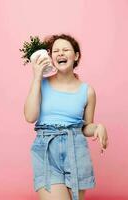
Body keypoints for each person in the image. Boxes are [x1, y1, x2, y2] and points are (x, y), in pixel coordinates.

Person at [24, 34, 108, 200]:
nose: (60, 53)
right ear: (51, 57)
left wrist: (98, 127)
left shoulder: (88, 91)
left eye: (65, 49)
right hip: (46, 151)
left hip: (76, 150)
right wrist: (36, 77)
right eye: (56, 51)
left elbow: (85, 127)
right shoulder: (41, 83)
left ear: (76, 56)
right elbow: (30, 116)